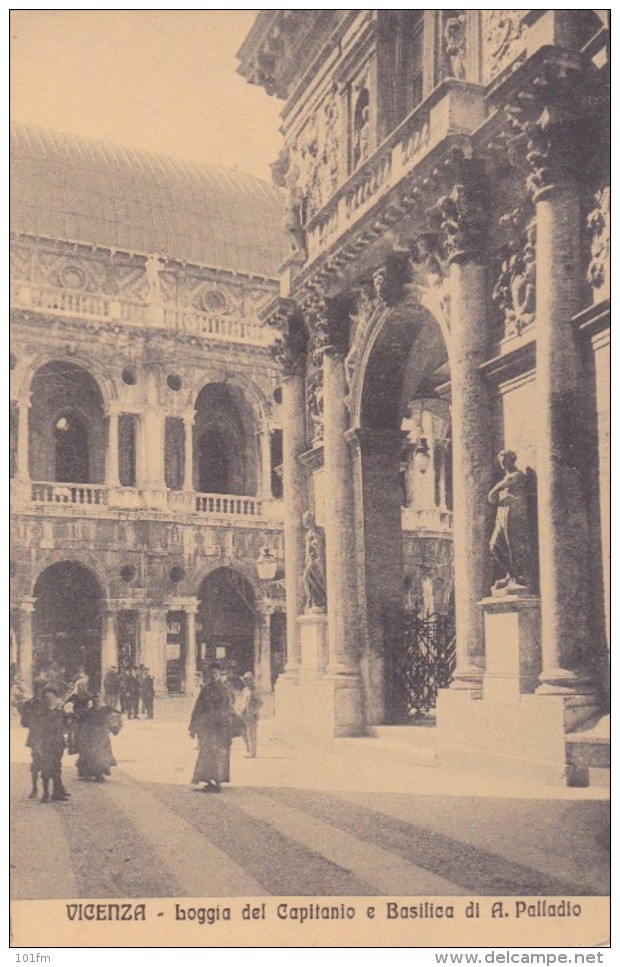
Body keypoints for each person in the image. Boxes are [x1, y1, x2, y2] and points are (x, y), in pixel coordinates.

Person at [188, 662, 234, 793]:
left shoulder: (225, 689)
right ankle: (207, 780)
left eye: (216, 673)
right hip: (207, 727)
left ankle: (217, 781)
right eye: (212, 673)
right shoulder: (205, 690)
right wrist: (192, 727)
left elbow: (230, 707)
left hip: (221, 726)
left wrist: (231, 724)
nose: (214, 676)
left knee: (220, 753)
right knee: (206, 752)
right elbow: (198, 709)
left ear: (220, 674)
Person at [26, 686, 70, 802]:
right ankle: (45, 793)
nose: (49, 699)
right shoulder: (40, 714)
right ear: (44, 699)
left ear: (56, 698)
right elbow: (36, 729)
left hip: (58, 744)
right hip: (45, 744)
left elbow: (66, 727)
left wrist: (70, 719)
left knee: (57, 767)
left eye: (52, 697)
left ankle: (57, 792)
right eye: (47, 697)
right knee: (45, 768)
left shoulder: (61, 712)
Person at [76, 693, 117, 782]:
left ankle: (100, 773)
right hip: (91, 737)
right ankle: (89, 773)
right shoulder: (88, 712)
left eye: (98, 701)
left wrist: (114, 726)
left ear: (101, 701)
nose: (97, 703)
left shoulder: (106, 710)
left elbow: (115, 717)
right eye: (95, 702)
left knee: (101, 754)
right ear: (92, 702)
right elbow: (82, 723)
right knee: (90, 754)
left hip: (102, 736)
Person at [239, 671, 262, 758]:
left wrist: (253, 711)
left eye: (247, 680)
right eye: (245, 680)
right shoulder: (245, 690)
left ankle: (252, 753)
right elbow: (242, 701)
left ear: (251, 681)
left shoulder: (254, 691)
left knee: (251, 734)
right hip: (243, 714)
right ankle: (248, 750)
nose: (246, 682)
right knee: (243, 733)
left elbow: (259, 703)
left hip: (251, 715)